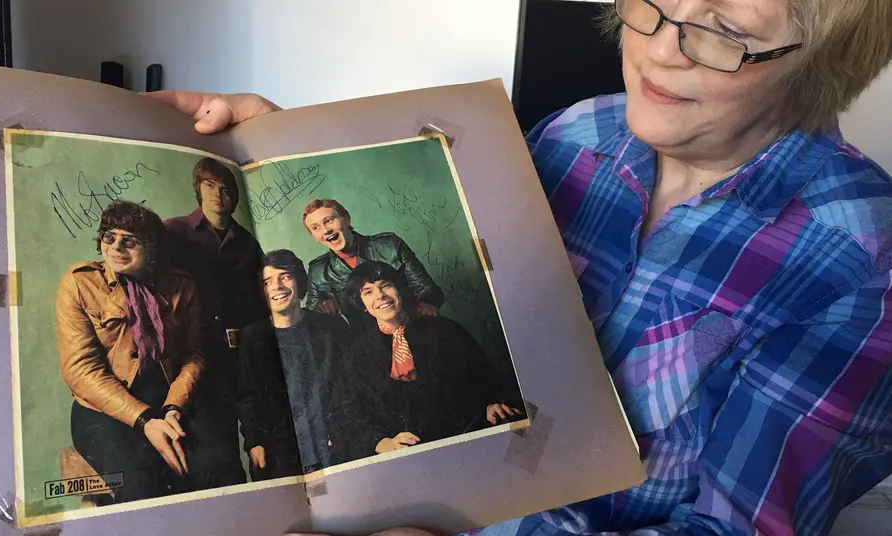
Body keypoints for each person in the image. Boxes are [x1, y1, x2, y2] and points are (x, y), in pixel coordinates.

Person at [147, 0, 892, 532]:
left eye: (725, 31)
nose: (663, 46)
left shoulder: (861, 258)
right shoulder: (575, 133)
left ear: (821, 62)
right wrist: (280, 161)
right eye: (653, 3)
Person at [55, 200, 220, 503]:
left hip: (171, 399)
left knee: (216, 468)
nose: (116, 247)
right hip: (104, 410)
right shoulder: (79, 283)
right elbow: (81, 370)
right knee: (140, 482)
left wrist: (173, 407)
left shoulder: (183, 286)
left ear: (153, 248)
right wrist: (145, 420)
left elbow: (194, 355)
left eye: (129, 241)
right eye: (109, 237)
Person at [328, 261, 523, 463]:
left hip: (467, 442)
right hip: (406, 459)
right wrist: (382, 443)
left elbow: (485, 378)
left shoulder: (445, 330)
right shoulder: (356, 357)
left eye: (385, 285)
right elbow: (345, 418)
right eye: (368, 292)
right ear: (363, 306)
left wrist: (492, 405)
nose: (380, 296)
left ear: (399, 289)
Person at [164, 156, 267, 485]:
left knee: (260, 438)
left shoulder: (249, 244)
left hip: (243, 352)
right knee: (217, 454)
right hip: (197, 356)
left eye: (225, 188)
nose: (218, 194)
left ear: (236, 196)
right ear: (198, 189)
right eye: (209, 185)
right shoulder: (174, 231)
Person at [237, 249, 353, 478]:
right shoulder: (253, 336)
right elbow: (249, 397)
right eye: (267, 282)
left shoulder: (331, 328)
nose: (277, 287)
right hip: (280, 447)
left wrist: (341, 429)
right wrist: (255, 443)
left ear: (299, 281)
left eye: (285, 277)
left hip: (332, 437)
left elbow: (350, 386)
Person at [301, 198, 444, 324]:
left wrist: (427, 303)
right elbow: (312, 314)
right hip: (361, 343)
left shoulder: (390, 245)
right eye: (315, 228)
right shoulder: (317, 270)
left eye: (329, 221)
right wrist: (322, 307)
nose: (326, 230)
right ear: (314, 236)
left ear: (346, 219)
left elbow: (425, 288)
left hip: (408, 326)